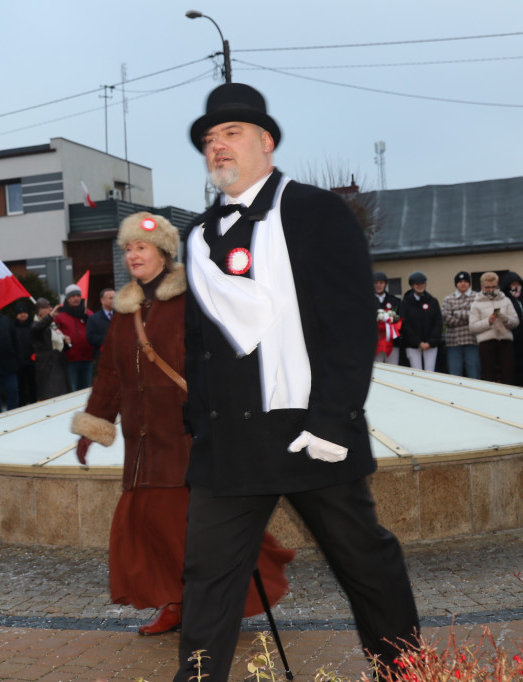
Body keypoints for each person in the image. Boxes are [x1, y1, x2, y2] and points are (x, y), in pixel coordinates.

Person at [178, 83, 419, 682]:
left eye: (230, 134)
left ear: (267, 141)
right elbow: (197, 342)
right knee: (207, 580)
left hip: (308, 432)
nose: (217, 147)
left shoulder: (316, 211)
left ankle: (406, 671)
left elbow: (350, 324)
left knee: (365, 562)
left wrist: (334, 419)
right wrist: (198, 419)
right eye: (209, 140)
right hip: (228, 446)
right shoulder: (200, 235)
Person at [71, 212, 293, 638]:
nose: (133, 255)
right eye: (128, 248)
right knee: (146, 526)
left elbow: (228, 359)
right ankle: (174, 602)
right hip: (142, 444)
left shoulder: (193, 300)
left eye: (141, 247)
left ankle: (217, 601)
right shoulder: (124, 310)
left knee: (188, 528)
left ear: (163, 252)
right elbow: (110, 375)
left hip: (187, 436)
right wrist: (94, 424)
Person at [469, 271, 519, 383]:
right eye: (487, 287)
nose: (491, 290)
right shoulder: (476, 304)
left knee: (509, 375)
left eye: (494, 287)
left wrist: (505, 318)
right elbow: (472, 327)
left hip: (506, 342)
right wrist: (488, 322)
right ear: (482, 287)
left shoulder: (506, 300)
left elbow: (516, 322)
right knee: (488, 376)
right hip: (486, 343)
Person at [400, 271, 442, 372]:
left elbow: (438, 323)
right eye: (417, 284)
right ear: (412, 285)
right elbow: (405, 325)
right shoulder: (405, 303)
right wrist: (418, 342)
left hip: (430, 345)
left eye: (422, 283)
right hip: (413, 345)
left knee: (430, 373)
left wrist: (430, 342)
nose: (420, 286)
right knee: (416, 373)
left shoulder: (433, 301)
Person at [441, 271, 480, 378]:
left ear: (469, 283)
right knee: (454, 375)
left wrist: (456, 312)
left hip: (472, 340)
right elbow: (447, 319)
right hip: (453, 343)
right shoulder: (448, 299)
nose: (463, 284)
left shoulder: (477, 297)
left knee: (474, 374)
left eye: (465, 281)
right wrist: (467, 315)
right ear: (456, 284)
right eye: (460, 282)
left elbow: (476, 316)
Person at [54, 284, 94, 390]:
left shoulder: (88, 313)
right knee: (72, 389)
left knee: (86, 390)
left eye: (78, 295)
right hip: (70, 360)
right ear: (67, 298)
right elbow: (54, 333)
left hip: (87, 358)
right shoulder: (59, 315)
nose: (76, 298)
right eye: (73, 296)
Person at [32, 298, 71, 400]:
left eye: (50, 306)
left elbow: (59, 344)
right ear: (39, 311)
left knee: (62, 395)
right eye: (46, 307)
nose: (50, 309)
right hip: (47, 365)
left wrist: (67, 342)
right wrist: (50, 317)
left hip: (58, 362)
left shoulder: (53, 326)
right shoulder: (36, 325)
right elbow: (39, 328)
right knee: (50, 395)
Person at [372, 272, 402, 365]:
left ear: (385, 284)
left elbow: (400, 319)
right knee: (377, 371)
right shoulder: (368, 301)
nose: (378, 285)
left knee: (393, 370)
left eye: (381, 283)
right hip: (375, 342)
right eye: (376, 283)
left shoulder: (394, 301)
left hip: (392, 342)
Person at [502, 271, 523, 385]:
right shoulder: (505, 300)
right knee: (515, 367)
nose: (516, 286)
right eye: (513, 284)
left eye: (518, 283)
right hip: (513, 339)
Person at [13, 302, 36, 405]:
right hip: (18, 362)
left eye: (25, 312)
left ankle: (34, 403)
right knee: (20, 386)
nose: (23, 315)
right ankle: (21, 405)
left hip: (32, 360)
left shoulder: (33, 325)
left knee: (33, 385)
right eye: (20, 313)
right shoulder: (13, 327)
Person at [85, 288, 115, 367]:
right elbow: (91, 337)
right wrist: (108, 339)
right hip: (103, 358)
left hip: (120, 357)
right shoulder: (93, 319)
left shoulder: (121, 316)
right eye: (111, 298)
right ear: (102, 301)